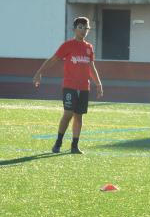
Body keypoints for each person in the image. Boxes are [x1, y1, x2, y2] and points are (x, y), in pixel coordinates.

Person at [32, 17, 103, 154]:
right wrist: (39, 72)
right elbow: (53, 59)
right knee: (68, 114)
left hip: (84, 87)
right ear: (74, 29)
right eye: (81, 27)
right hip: (70, 86)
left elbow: (91, 67)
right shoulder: (67, 45)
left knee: (79, 116)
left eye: (86, 28)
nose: (83, 30)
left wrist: (98, 83)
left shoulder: (89, 47)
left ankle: (74, 146)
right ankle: (58, 142)